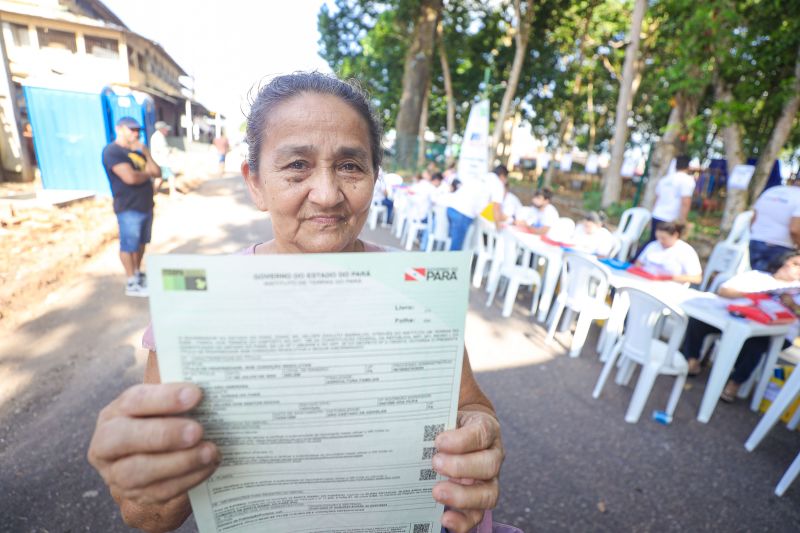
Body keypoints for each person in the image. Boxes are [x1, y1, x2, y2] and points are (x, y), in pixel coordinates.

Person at [87, 72, 503, 533]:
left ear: (373, 177)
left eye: (350, 166)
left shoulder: (418, 289)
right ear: (256, 183)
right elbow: (151, 515)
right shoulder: (195, 312)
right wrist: (143, 481)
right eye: (296, 166)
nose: (327, 194)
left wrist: (477, 436)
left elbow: (470, 404)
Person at [681, 251, 800, 401]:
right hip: (733, 319)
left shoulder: (796, 292)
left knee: (755, 344)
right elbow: (723, 290)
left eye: (797, 265)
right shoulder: (756, 277)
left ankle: (735, 383)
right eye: (791, 261)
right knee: (698, 321)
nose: (790, 265)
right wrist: (752, 294)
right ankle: (691, 362)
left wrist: (793, 306)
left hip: (772, 332)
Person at [101, 116, 162, 297]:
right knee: (129, 245)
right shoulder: (112, 151)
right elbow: (130, 178)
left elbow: (157, 172)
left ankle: (136, 273)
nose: (135, 133)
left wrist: (146, 153)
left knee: (141, 243)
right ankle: (131, 282)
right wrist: (146, 173)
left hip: (146, 205)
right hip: (128, 207)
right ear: (120, 129)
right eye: (131, 129)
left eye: (137, 130)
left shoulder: (139, 151)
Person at [445, 167, 505, 251]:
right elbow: (496, 207)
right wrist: (498, 228)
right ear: (502, 176)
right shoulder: (497, 184)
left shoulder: (482, 175)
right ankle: (448, 263)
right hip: (463, 213)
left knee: (453, 243)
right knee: (455, 248)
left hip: (451, 208)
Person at [748, 183, 800, 271]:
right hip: (781, 247)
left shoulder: (772, 191)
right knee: (775, 282)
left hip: (756, 241)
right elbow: (794, 229)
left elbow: (753, 220)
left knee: (756, 276)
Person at [634, 221, 702, 284]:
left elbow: (697, 278)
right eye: (658, 237)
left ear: (675, 235)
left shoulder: (686, 251)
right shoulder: (653, 245)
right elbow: (638, 263)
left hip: (669, 287)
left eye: (663, 238)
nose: (660, 241)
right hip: (645, 282)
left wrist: (669, 278)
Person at [649, 155, 695, 242]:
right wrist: (683, 221)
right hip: (671, 220)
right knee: (665, 246)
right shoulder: (687, 180)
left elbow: (657, 198)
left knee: (653, 244)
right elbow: (685, 202)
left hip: (657, 215)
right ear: (688, 166)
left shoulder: (664, 179)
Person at [150, 121, 176, 196]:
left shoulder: (158, 136)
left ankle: (153, 192)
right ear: (162, 129)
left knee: (159, 178)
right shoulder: (158, 137)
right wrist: (170, 151)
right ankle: (173, 193)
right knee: (171, 176)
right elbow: (164, 150)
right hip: (161, 161)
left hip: (160, 161)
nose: (167, 130)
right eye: (165, 129)